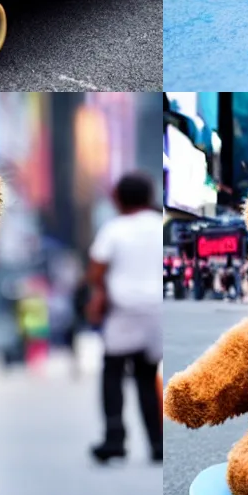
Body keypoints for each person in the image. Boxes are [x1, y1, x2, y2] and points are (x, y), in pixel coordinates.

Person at [86, 172, 164, 464]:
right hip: (156, 310)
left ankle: (114, 438)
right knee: (146, 375)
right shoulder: (159, 226)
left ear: (119, 198)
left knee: (113, 372)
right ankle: (157, 443)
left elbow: (96, 271)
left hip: (124, 311)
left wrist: (98, 296)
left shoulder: (115, 229)